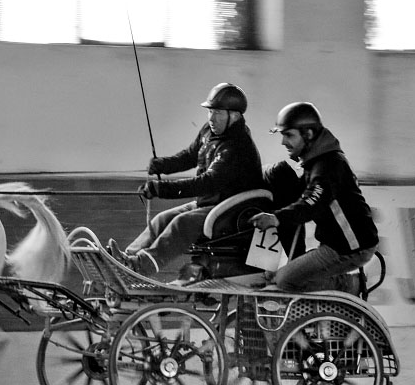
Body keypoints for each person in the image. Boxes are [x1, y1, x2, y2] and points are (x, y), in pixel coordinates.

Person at [109, 82, 264, 275]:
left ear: (234, 116)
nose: (212, 118)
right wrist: (163, 165)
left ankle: (140, 266)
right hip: (212, 204)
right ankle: (125, 260)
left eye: (217, 113)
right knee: (162, 219)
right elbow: (190, 155)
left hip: (231, 212)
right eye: (210, 112)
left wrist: (162, 189)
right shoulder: (210, 130)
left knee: (181, 224)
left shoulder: (238, 146)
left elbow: (206, 183)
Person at [249, 102, 378, 293]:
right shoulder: (318, 160)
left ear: (308, 134)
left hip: (349, 249)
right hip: (340, 245)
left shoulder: (327, 165)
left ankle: (349, 285)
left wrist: (275, 218)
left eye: (289, 135)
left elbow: (310, 204)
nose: (283, 142)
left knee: (285, 281)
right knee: (279, 277)